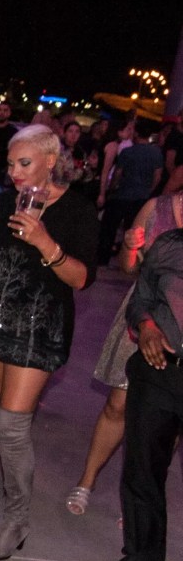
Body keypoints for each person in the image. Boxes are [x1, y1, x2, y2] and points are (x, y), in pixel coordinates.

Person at [0, 125, 99, 557]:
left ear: (50, 161)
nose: (14, 172)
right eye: (11, 163)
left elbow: (82, 278)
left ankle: (16, 520)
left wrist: (44, 242)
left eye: (25, 163)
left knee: (12, 428)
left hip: (39, 328)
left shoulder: (77, 210)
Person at [67, 185, 183, 514]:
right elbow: (128, 268)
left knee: (168, 420)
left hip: (179, 328)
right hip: (141, 316)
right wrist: (130, 249)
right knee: (117, 404)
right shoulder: (157, 208)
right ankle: (86, 481)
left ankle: (142, 500)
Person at [91, 226, 183, 561]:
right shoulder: (170, 246)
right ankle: (140, 558)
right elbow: (140, 301)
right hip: (160, 369)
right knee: (142, 466)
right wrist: (145, 326)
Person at [98, 117, 164, 265]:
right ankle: (130, 261)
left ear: (136, 133)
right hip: (141, 197)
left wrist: (111, 188)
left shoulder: (128, 152)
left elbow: (118, 174)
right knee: (134, 230)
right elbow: (157, 176)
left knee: (109, 228)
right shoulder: (156, 153)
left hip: (122, 194)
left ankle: (103, 258)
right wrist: (149, 190)